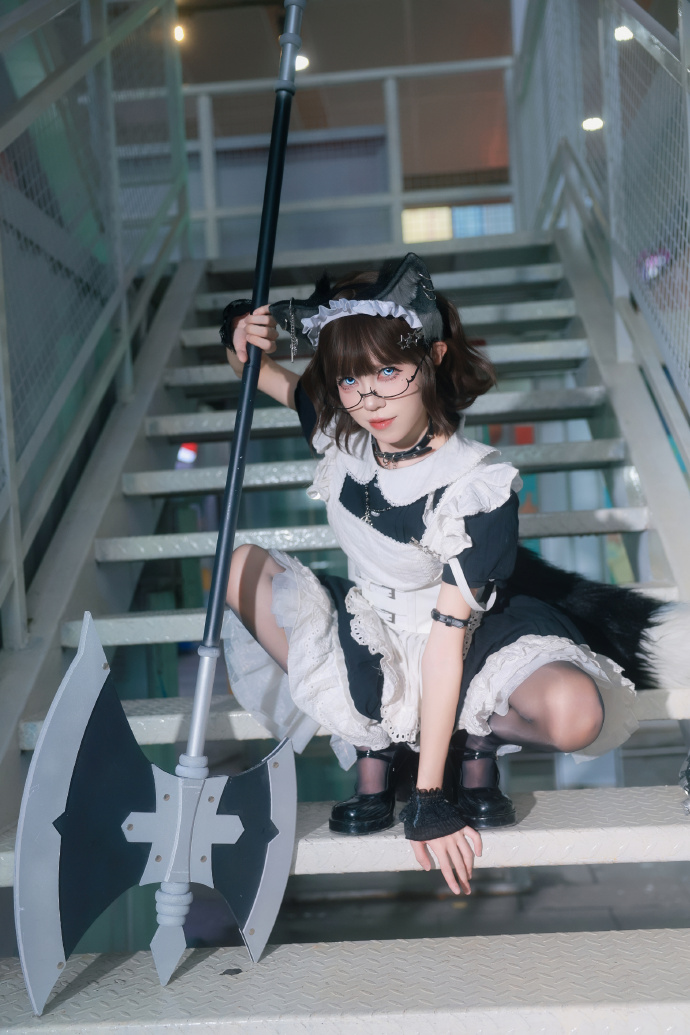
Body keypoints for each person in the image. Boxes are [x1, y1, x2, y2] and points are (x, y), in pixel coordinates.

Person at [220, 253, 687, 896]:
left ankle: (472, 743)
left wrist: (431, 797)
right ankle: (377, 743)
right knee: (240, 567)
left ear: (433, 357)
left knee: (575, 713)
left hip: (463, 638)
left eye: (389, 371)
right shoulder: (341, 431)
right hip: (374, 625)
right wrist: (238, 334)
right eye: (351, 378)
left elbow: (445, 643)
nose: (370, 399)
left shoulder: (475, 486)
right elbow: (257, 373)